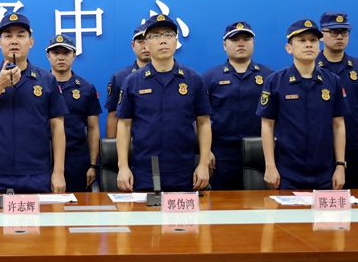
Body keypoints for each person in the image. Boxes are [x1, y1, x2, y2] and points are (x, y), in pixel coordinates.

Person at [0, 13, 68, 194]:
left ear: (31, 42)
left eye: (21, 35)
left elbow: (57, 126)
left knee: (39, 214)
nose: (14, 41)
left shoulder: (46, 79)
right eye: (8, 36)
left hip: (37, 173)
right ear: (0, 42)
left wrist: (58, 172)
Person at [116, 15, 212, 192]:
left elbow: (204, 123)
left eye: (168, 35)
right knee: (145, 211)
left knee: (182, 212)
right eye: (155, 36)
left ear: (176, 41)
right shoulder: (133, 81)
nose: (163, 40)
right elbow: (124, 125)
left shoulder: (193, 79)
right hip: (144, 170)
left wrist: (203, 164)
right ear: (146, 44)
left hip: (184, 171)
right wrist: (123, 166)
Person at [257, 19, 347, 190]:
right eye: (302, 40)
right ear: (289, 48)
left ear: (319, 47)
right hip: (287, 171)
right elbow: (267, 125)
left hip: (325, 172)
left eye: (313, 40)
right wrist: (270, 166)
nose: (309, 44)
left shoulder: (332, 81)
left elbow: (339, 125)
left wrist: (340, 166)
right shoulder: (275, 81)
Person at [202, 21, 274, 190]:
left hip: (260, 151)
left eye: (246, 39)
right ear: (224, 45)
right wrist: (206, 153)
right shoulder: (211, 77)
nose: (241, 43)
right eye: (234, 40)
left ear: (253, 43)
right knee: (223, 203)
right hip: (222, 153)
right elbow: (200, 119)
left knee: (260, 203)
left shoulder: (269, 76)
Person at [316, 12, 358, 190]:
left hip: (353, 145)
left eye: (344, 32)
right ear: (321, 36)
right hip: (320, 145)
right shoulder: (312, 66)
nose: (339, 37)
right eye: (334, 32)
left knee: (354, 198)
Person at [45, 34, 102, 192]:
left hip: (75, 159)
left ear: (74, 55)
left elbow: (93, 128)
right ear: (48, 56)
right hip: (42, 158)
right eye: (56, 53)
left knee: (75, 205)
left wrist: (93, 165)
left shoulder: (86, 88)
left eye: (66, 53)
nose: (61, 57)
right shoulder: (39, 86)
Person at [104, 22, 150, 138]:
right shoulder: (120, 77)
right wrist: (112, 146)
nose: (145, 46)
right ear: (133, 46)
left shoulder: (169, 75)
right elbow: (113, 115)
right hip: (130, 143)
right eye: (140, 42)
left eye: (148, 41)